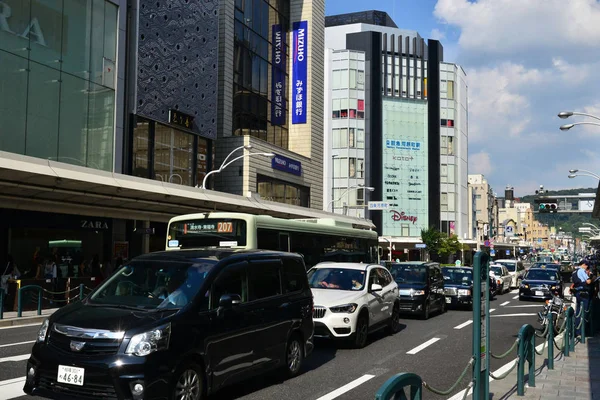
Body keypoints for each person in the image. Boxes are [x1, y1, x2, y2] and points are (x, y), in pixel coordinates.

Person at [573, 260, 593, 337]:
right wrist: (591, 278)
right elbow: (588, 282)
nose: (587, 268)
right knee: (584, 312)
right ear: (584, 265)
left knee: (578, 311)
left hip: (578, 292)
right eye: (587, 266)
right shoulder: (581, 271)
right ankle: (581, 331)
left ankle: (577, 330)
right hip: (584, 293)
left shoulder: (575, 272)